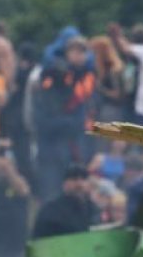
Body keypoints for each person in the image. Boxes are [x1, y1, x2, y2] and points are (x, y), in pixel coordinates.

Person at [33, 36, 96, 200]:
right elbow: (42, 119)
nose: (79, 55)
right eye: (75, 51)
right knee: (51, 195)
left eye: (82, 51)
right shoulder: (51, 77)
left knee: (76, 195)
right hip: (51, 149)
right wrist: (68, 123)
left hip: (75, 147)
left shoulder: (86, 77)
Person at [32, 164, 96, 238]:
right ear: (64, 184)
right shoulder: (51, 210)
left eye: (83, 179)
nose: (80, 184)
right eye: (74, 179)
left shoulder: (94, 209)